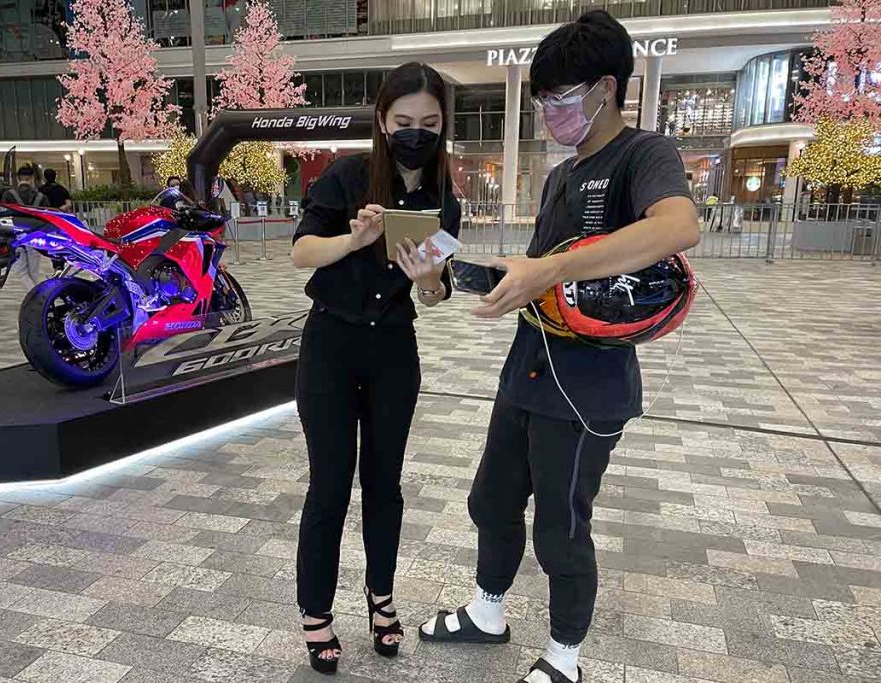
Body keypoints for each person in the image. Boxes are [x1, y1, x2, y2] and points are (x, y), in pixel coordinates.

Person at [418, 12, 700, 683]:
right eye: (542, 99)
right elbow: (538, 275)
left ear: (607, 88)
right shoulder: (559, 176)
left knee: (560, 527)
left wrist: (552, 267)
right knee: (491, 501)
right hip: (527, 370)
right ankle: (487, 612)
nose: (550, 112)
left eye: (561, 97)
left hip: (587, 388)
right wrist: (438, 274)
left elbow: (678, 226)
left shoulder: (643, 155)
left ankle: (564, 657)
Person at [290, 62, 461, 675]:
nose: (417, 133)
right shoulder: (348, 175)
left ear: (442, 126)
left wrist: (430, 279)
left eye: (430, 123)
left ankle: (381, 598)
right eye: (404, 121)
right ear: (384, 122)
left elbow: (437, 294)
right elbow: (301, 251)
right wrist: (354, 241)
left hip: (393, 350)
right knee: (329, 484)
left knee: (384, 485)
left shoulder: (443, 200)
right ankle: (316, 611)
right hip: (331, 346)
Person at [3, 164, 51, 289]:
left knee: (22, 272)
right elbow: (48, 217)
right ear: (32, 178)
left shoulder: (8, 195)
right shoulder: (41, 197)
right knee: (34, 273)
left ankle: (36, 296)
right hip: (36, 237)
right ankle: (37, 296)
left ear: (18, 178)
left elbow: (4, 216)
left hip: (16, 237)